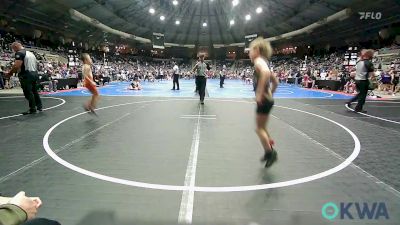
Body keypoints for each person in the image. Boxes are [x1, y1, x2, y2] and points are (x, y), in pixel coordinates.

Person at [249, 37, 279, 168]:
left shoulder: (258, 61)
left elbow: (266, 73)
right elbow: (276, 81)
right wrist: (270, 93)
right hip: (268, 99)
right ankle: (269, 148)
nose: (249, 53)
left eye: (251, 50)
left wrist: (260, 93)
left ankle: (270, 152)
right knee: (263, 127)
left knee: (259, 128)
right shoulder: (265, 62)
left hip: (264, 100)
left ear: (257, 50)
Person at [6, 42, 42, 114]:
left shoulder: (19, 53)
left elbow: (17, 66)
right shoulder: (31, 53)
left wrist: (10, 73)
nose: (14, 51)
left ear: (16, 47)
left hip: (26, 74)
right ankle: (39, 106)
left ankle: (32, 108)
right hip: (34, 73)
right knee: (34, 91)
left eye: (13, 49)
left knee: (28, 92)